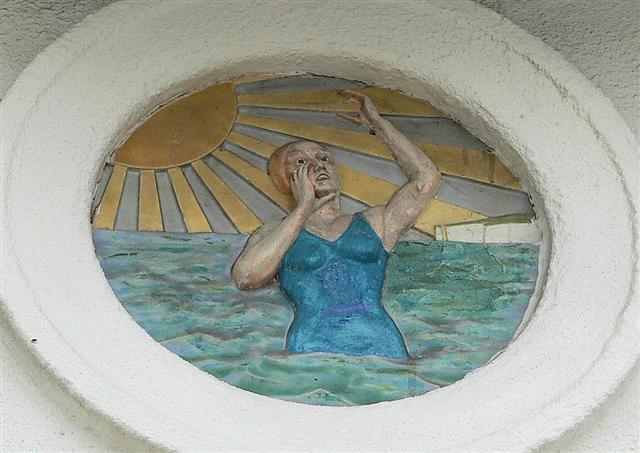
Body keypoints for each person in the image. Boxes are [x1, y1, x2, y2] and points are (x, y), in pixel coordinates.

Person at [231, 91, 441, 360]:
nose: (317, 165)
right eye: (300, 162)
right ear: (286, 180)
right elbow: (246, 277)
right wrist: (303, 207)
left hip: (382, 349)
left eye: (324, 158)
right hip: (311, 353)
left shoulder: (375, 223)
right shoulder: (274, 233)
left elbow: (426, 179)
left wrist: (377, 123)